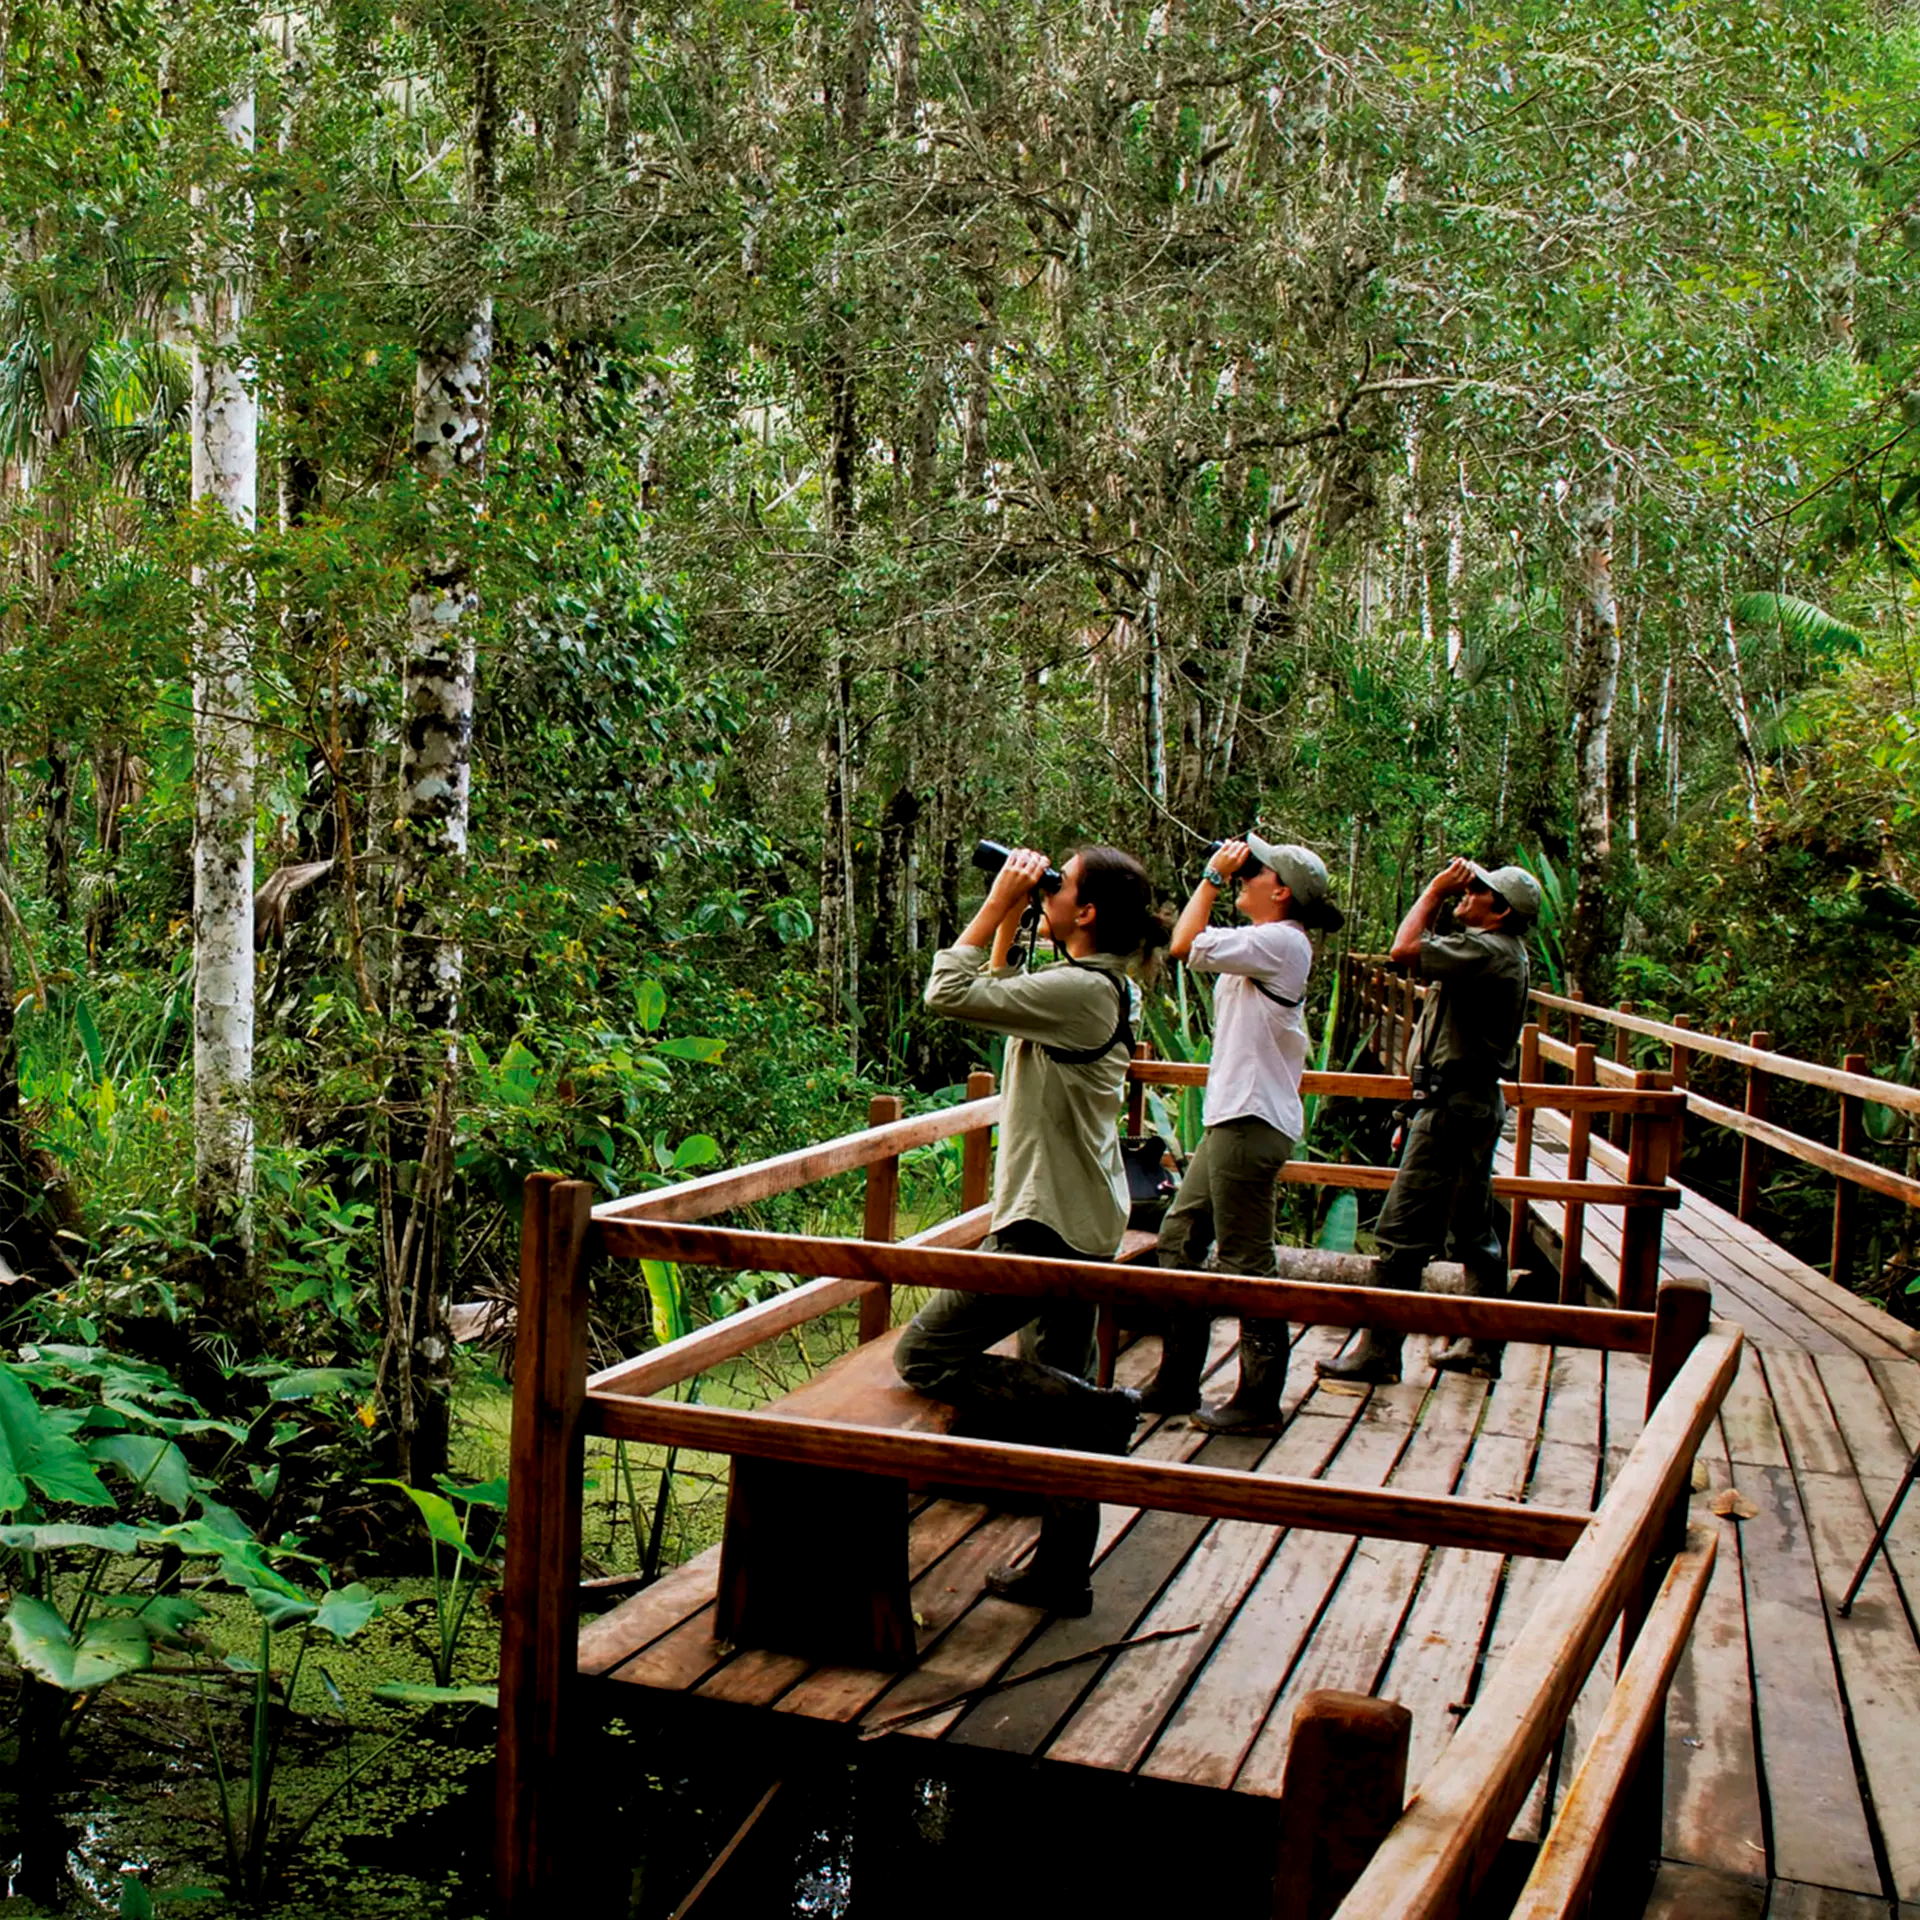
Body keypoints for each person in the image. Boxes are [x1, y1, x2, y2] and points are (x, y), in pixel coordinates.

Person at [895, 843, 1168, 1616]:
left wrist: (997, 902)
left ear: (1084, 913)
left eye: (1059, 885)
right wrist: (1019, 904)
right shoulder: (1097, 984)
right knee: (1056, 1399)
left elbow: (948, 991)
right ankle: (1060, 1572)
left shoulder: (1082, 990)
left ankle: (1098, 1406)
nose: (1046, 891)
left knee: (926, 1356)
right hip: (1084, 1215)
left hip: (1045, 1226)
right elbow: (994, 989)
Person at [1141, 834, 1344, 1430]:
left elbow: (1184, 943)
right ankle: (1177, 1381)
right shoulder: (1266, 943)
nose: (1243, 876)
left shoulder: (1280, 941)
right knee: (1179, 1239)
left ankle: (1258, 1399)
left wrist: (1209, 874)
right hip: (1231, 1118)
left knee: (1248, 1261)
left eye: (1254, 871)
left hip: (1251, 1121)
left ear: (1280, 892)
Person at [1318, 856, 1540, 1385]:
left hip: (1454, 1111)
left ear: (1500, 910)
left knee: (1400, 1235)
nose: (1467, 893)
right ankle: (1483, 1347)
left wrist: (1436, 892)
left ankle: (1379, 1351)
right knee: (1474, 1231)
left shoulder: (1489, 949)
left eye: (1478, 890)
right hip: (1468, 1103)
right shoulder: (1496, 951)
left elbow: (1403, 951)